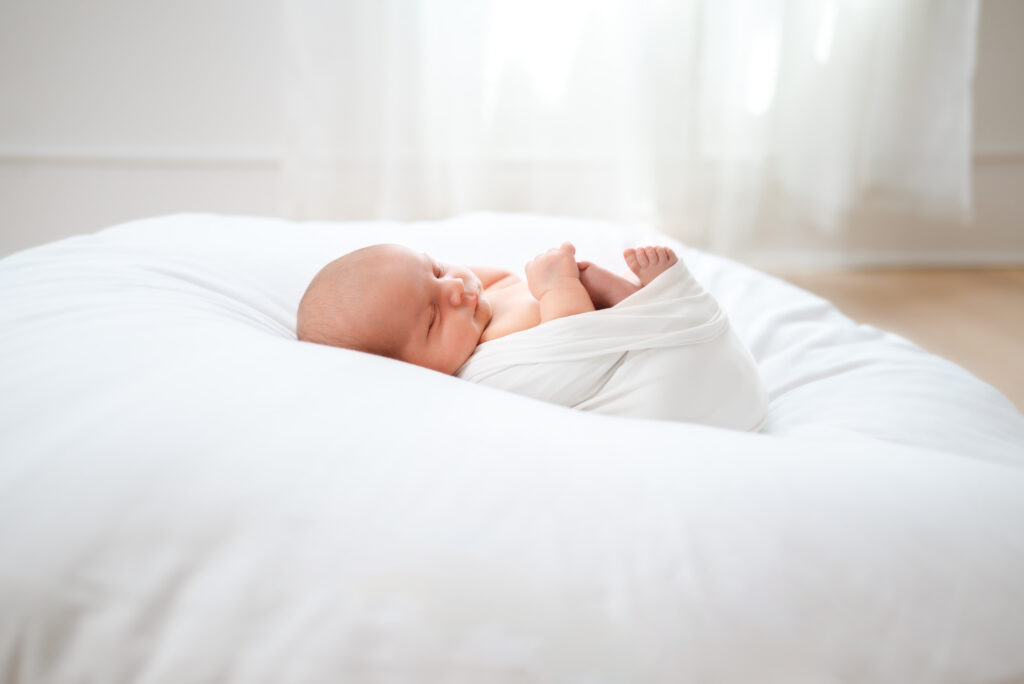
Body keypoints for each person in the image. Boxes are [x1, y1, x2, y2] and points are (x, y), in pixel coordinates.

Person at [296, 242, 679, 374]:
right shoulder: (489, 351)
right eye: (432, 315)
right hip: (622, 336)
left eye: (437, 268)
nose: (454, 289)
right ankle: (657, 298)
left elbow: (499, 278)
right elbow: (573, 339)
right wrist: (558, 287)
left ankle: (650, 295)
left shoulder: (470, 309)